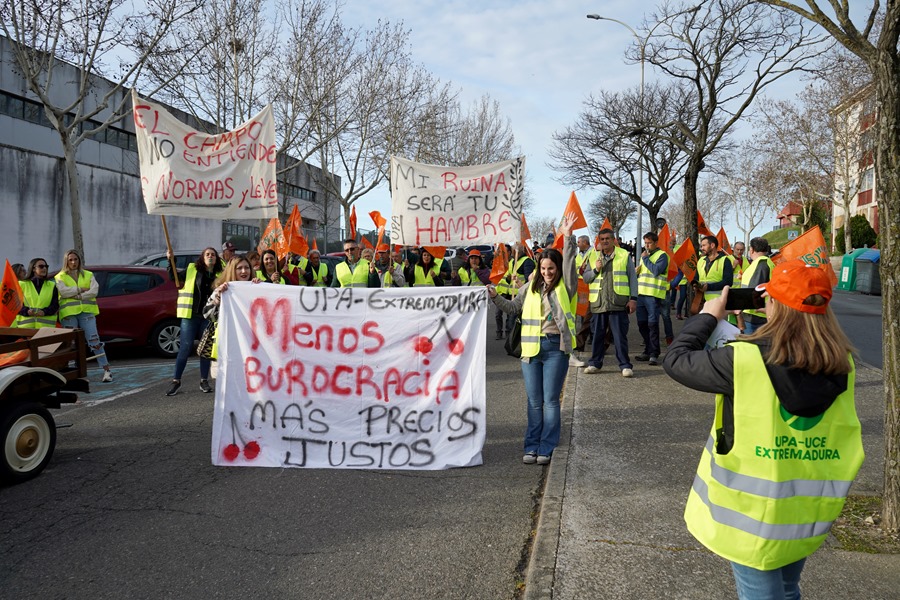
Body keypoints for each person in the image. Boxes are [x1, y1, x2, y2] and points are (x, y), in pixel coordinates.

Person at [663, 262, 863, 600]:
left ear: (776, 306)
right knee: (787, 588)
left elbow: (677, 360)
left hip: (751, 518)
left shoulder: (742, 361)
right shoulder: (843, 362)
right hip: (805, 513)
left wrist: (709, 316)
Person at [489, 214, 578, 465]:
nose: (547, 272)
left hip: (554, 349)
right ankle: (531, 445)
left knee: (550, 401)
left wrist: (568, 237)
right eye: (543, 268)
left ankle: (546, 447)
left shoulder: (566, 286)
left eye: (551, 268)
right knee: (534, 402)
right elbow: (513, 308)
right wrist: (495, 296)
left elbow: (570, 264)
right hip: (530, 351)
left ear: (558, 269)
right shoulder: (529, 288)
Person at [166, 247, 223, 396]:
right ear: (203, 257)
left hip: (208, 317)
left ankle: (204, 380)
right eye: (207, 254)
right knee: (185, 348)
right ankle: (176, 381)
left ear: (216, 259)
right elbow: (175, 278)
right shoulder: (192, 268)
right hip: (191, 315)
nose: (210, 256)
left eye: (213, 255)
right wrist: (170, 260)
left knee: (205, 350)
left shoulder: (220, 274)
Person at [581, 228, 638, 377]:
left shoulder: (624, 255)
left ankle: (625, 365)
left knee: (619, 337)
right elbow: (586, 278)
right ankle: (595, 363)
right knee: (597, 335)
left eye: (608, 238)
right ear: (599, 241)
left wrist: (633, 299)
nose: (605, 241)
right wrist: (595, 269)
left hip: (618, 302)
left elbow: (632, 278)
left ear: (614, 240)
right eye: (602, 239)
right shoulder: (593, 256)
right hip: (599, 303)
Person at [55, 249, 112, 382]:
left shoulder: (88, 274)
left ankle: (107, 370)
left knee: (94, 341)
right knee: (71, 344)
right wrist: (80, 289)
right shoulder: (60, 276)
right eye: (70, 260)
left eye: (76, 259)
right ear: (66, 261)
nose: (73, 262)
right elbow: (63, 292)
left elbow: (94, 291)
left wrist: (78, 296)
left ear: (79, 260)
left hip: (86, 311)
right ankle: (73, 374)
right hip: (69, 314)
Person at [202, 256, 256, 372]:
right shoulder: (221, 290)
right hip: (228, 345)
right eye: (239, 268)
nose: (244, 271)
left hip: (251, 346)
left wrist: (262, 288)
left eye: (247, 268)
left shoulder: (256, 288)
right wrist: (218, 299)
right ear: (232, 270)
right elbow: (207, 315)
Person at [635, 232, 669, 366]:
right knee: (641, 324)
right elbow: (644, 273)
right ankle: (648, 349)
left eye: (649, 243)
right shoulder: (645, 256)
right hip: (641, 295)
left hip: (653, 295)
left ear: (655, 243)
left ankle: (654, 353)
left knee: (652, 325)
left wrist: (645, 260)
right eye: (645, 243)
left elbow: (656, 271)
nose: (647, 245)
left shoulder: (662, 256)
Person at [741, 237, 775, 334]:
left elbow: (755, 290)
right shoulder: (762, 263)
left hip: (755, 315)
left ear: (751, 250)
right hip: (757, 314)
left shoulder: (761, 264)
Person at [17, 258, 59, 329]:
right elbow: (15, 304)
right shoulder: (22, 284)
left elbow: (55, 305)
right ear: (33, 269)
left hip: (46, 328)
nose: (44, 268)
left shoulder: (52, 285)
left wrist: (44, 312)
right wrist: (26, 311)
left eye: (46, 266)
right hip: (25, 328)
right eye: (41, 266)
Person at [697, 235, 733, 301]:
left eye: (704, 245)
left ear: (712, 245)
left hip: (718, 301)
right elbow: (696, 277)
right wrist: (695, 285)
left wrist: (709, 287)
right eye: (701, 246)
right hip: (701, 300)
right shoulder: (701, 260)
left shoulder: (725, 260)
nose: (702, 248)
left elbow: (728, 282)